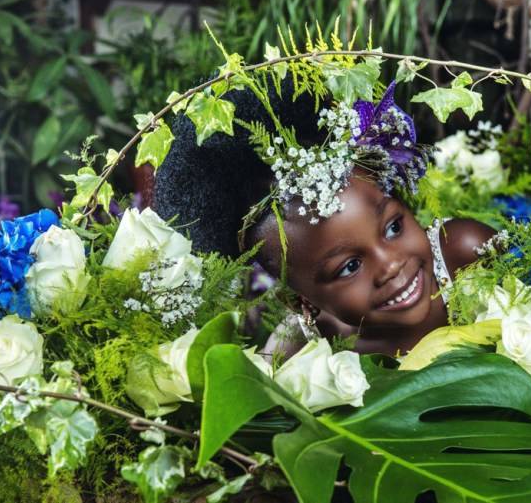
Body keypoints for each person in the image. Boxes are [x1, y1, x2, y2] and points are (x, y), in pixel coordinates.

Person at [154, 79, 494, 357]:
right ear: (298, 300)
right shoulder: (309, 346)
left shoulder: (465, 256)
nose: (390, 265)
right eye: (349, 267)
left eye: (393, 227)